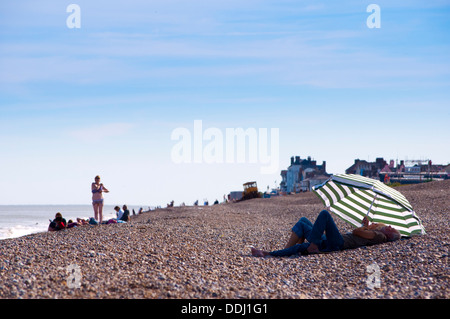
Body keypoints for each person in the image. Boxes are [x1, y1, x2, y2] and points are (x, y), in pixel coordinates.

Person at [251, 210, 401, 257]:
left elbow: (356, 232)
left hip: (339, 243)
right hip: (334, 240)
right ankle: (279, 253)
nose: (388, 226)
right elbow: (360, 233)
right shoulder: (374, 233)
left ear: (389, 235)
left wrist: (365, 226)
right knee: (303, 222)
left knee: (324, 215)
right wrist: (366, 225)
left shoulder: (380, 236)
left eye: (391, 228)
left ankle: (313, 245)